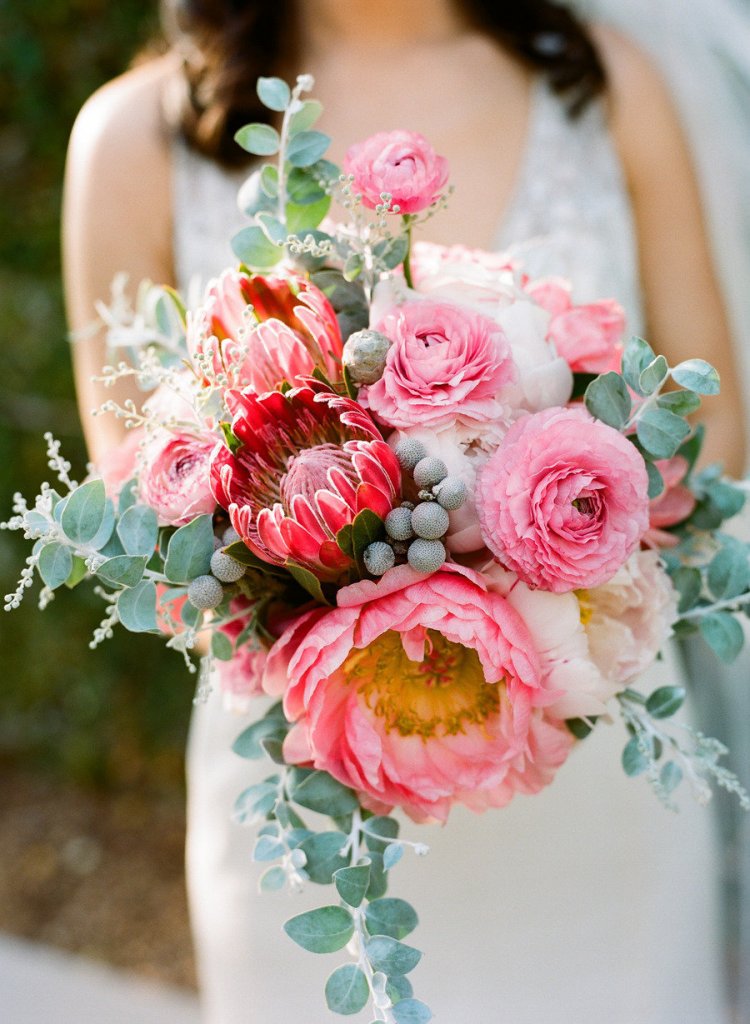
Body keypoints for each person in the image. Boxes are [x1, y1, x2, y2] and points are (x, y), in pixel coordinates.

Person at [62, 1, 747, 1021]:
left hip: (600, 797)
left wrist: (525, 539)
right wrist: (349, 568)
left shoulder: (608, 86)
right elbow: (141, 488)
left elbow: (715, 431)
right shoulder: (132, 139)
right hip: (311, 804)